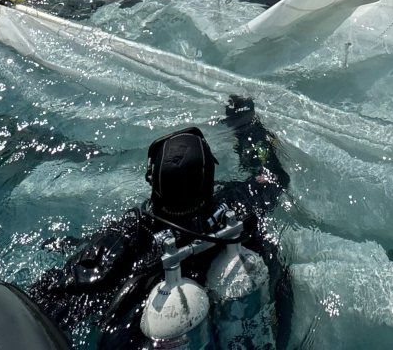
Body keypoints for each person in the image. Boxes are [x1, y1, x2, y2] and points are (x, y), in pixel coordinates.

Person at [29, 96, 289, 350]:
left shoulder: (128, 237)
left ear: (152, 180)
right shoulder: (236, 206)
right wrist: (246, 126)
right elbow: (273, 176)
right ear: (209, 176)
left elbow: (48, 305)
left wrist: (83, 249)